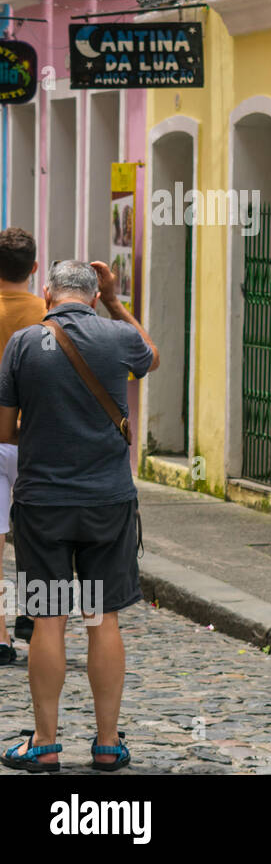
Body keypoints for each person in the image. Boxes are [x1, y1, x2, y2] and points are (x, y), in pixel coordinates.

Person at [0, 260, 159, 771]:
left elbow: (6, 431)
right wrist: (116, 301)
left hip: (44, 502)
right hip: (107, 501)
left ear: (47, 294)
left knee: (48, 618)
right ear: (92, 296)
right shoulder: (116, 336)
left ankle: (45, 744)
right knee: (101, 615)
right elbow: (151, 356)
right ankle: (108, 743)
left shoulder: (24, 344)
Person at [0, 229, 46, 666]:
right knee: (41, 537)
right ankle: (36, 613)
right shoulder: (49, 314)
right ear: (34, 268)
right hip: (38, 438)